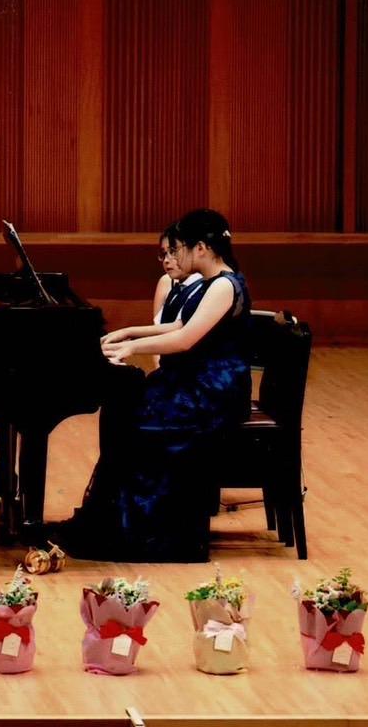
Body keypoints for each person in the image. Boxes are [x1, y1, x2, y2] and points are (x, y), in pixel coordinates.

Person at [63, 208, 252, 561]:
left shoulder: (224, 285)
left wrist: (132, 348)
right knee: (124, 409)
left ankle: (144, 531)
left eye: (179, 249)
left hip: (212, 391)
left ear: (200, 248)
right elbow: (177, 325)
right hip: (196, 382)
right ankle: (111, 520)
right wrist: (127, 333)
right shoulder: (211, 283)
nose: (175, 256)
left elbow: (184, 339)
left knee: (135, 423)